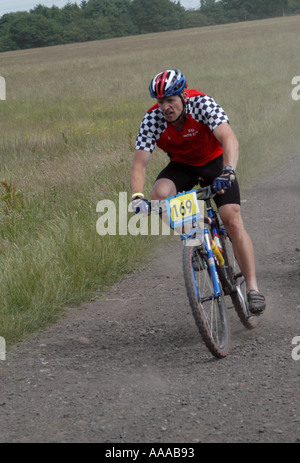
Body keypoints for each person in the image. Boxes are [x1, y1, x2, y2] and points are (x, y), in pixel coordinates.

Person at [130, 69, 265, 314]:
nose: (165, 107)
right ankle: (194, 237)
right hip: (183, 165)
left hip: (215, 162)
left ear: (183, 96)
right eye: (161, 102)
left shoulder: (202, 103)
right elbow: (140, 163)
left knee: (231, 220)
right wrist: (137, 197)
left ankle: (253, 289)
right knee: (159, 195)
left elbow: (229, 139)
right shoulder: (152, 119)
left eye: (170, 100)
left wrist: (229, 171)